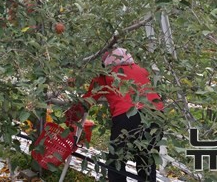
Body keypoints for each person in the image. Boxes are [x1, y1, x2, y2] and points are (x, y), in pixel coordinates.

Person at [65, 47, 164, 182]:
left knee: (116, 162)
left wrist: (69, 118)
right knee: (146, 161)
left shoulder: (106, 74)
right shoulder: (142, 70)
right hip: (156, 115)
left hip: (128, 116)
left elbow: (87, 101)